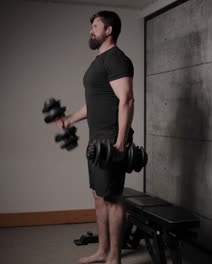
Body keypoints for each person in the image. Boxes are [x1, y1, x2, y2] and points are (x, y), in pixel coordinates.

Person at [55, 10, 134, 264]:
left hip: (111, 140)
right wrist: (69, 119)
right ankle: (102, 251)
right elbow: (94, 103)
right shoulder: (98, 63)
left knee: (112, 198)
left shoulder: (117, 60)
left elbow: (127, 99)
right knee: (99, 196)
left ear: (108, 30)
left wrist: (121, 141)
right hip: (96, 140)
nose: (91, 30)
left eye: (96, 26)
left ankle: (114, 258)